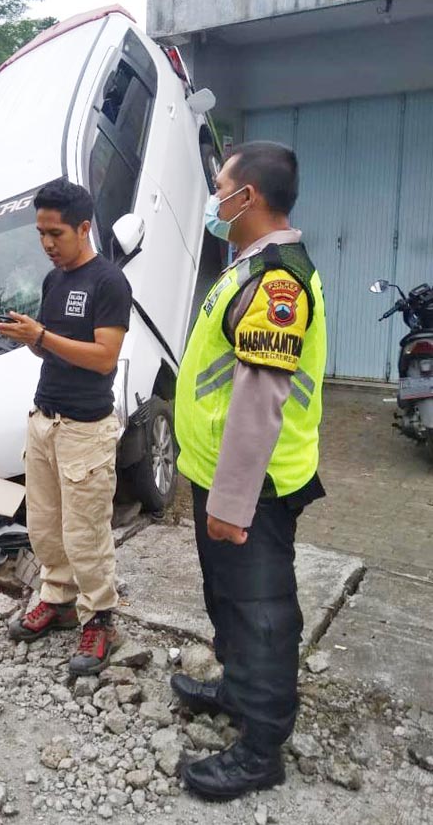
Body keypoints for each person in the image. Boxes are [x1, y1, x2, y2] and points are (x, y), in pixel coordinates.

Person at [173, 142, 327, 800]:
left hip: (255, 486)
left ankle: (261, 747)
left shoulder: (277, 282)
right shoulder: (250, 265)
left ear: (249, 199)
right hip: (223, 473)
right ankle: (237, 690)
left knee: (262, 612)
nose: (214, 198)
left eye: (219, 187)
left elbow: (260, 401)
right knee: (229, 599)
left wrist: (232, 503)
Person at [0, 179, 132, 675]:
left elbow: (104, 357)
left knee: (86, 533)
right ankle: (59, 598)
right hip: (44, 419)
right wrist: (25, 334)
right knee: (45, 527)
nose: (47, 243)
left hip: (85, 429)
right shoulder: (54, 281)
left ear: (83, 227)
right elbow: (47, 347)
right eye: (40, 233)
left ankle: (100, 619)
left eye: (56, 233)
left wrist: (43, 334)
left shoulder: (108, 282)